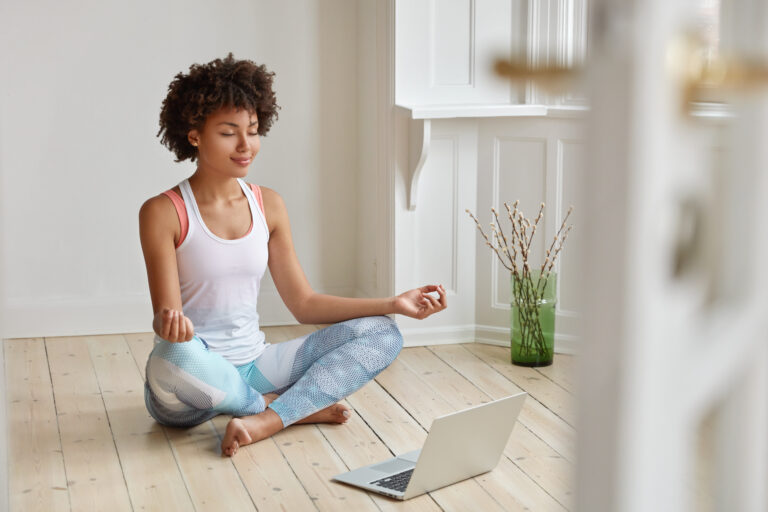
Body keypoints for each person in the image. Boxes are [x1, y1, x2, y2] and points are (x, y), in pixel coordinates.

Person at [139, 54, 447, 457]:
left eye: (252, 130)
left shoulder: (269, 205)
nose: (246, 145)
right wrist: (168, 325)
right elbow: (168, 320)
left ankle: (266, 419)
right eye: (229, 133)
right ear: (194, 135)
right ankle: (284, 409)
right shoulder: (162, 211)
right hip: (192, 379)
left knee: (383, 333)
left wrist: (394, 303)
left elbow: (304, 303)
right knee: (171, 357)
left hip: (256, 366)